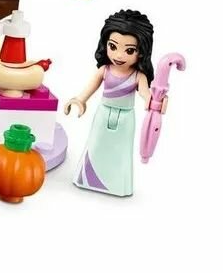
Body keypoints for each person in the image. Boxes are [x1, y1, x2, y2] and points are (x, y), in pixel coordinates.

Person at [64, 10, 158, 197]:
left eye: (129, 50)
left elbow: (145, 94)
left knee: (121, 151)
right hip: (103, 113)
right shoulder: (105, 70)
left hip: (125, 118)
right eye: (113, 46)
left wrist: (154, 100)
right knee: (95, 144)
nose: (119, 55)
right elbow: (90, 87)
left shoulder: (138, 76)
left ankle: (118, 186)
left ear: (141, 52)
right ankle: (87, 179)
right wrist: (80, 100)